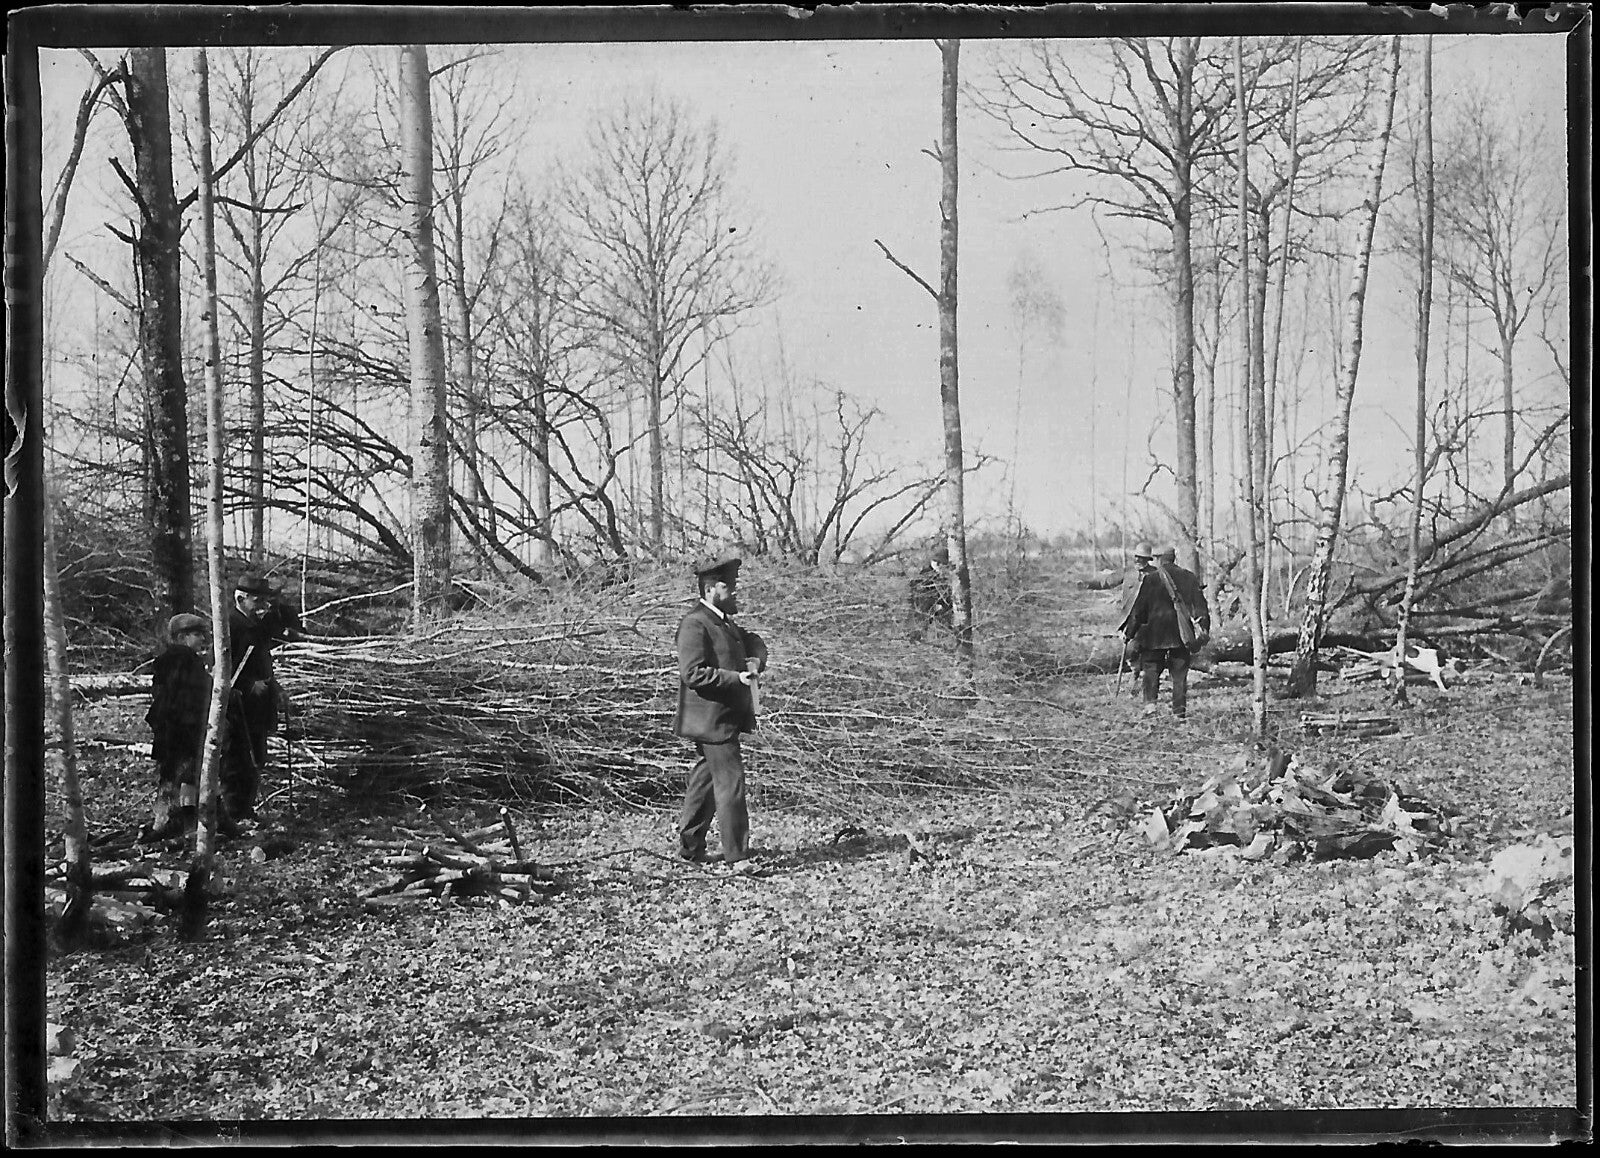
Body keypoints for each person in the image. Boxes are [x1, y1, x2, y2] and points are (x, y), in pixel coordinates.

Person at [674, 548, 769, 870]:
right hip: (710, 721)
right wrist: (736, 678)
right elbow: (693, 673)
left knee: (706, 782)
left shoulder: (725, 624)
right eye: (729, 585)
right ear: (710, 589)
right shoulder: (695, 624)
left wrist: (755, 660)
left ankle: (690, 848)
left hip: (722, 719)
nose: (736, 590)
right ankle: (738, 857)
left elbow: (754, 641)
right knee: (731, 784)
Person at [223, 572, 310, 823]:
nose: (262, 606)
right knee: (236, 760)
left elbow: (264, 665)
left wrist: (277, 689)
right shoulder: (230, 626)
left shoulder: (258, 627)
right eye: (256, 601)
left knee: (257, 758)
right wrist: (248, 685)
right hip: (236, 708)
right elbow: (221, 668)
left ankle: (246, 810)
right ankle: (232, 815)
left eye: (264, 601)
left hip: (259, 707)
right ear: (241, 599)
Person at [1121, 544, 1210, 720]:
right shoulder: (1189, 578)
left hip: (1154, 636)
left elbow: (1138, 611)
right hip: (1181, 635)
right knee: (1179, 676)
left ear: (1160, 559)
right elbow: (1201, 608)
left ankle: (1150, 709)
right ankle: (1179, 714)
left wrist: (1129, 632)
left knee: (1151, 671)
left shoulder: (1151, 579)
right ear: (1174, 558)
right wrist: (1204, 630)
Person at [145, 614, 213, 838]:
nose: (203, 638)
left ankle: (168, 821)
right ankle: (180, 822)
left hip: (169, 730)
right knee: (185, 776)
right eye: (197, 634)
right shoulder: (185, 661)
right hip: (183, 730)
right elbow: (189, 697)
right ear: (182, 637)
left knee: (173, 775)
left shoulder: (168, 660)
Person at [1116, 542, 1158, 698]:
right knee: (1131, 651)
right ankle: (1134, 672)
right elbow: (1106, 580)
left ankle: (1138, 684)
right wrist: (1087, 583)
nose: (1138, 560)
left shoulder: (1155, 574)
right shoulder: (1128, 572)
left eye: (1142, 558)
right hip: (1129, 619)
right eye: (1137, 557)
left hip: (1149, 620)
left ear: (1148, 559)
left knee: (1147, 654)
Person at [907, 545, 954, 641]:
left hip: (933, 619)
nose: (945, 568)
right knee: (919, 641)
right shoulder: (925, 576)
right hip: (922, 617)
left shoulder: (937, 576)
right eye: (944, 565)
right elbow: (921, 600)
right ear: (937, 563)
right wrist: (936, 606)